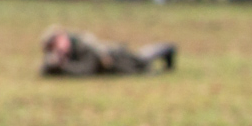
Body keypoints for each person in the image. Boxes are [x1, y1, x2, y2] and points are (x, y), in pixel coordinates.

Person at [40, 27, 176, 77]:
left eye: (57, 43)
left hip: (117, 58)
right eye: (51, 47)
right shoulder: (69, 50)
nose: (57, 48)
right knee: (141, 62)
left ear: (63, 36)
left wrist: (63, 67)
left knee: (142, 61)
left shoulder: (85, 46)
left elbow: (86, 70)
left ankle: (167, 49)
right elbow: (44, 68)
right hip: (114, 60)